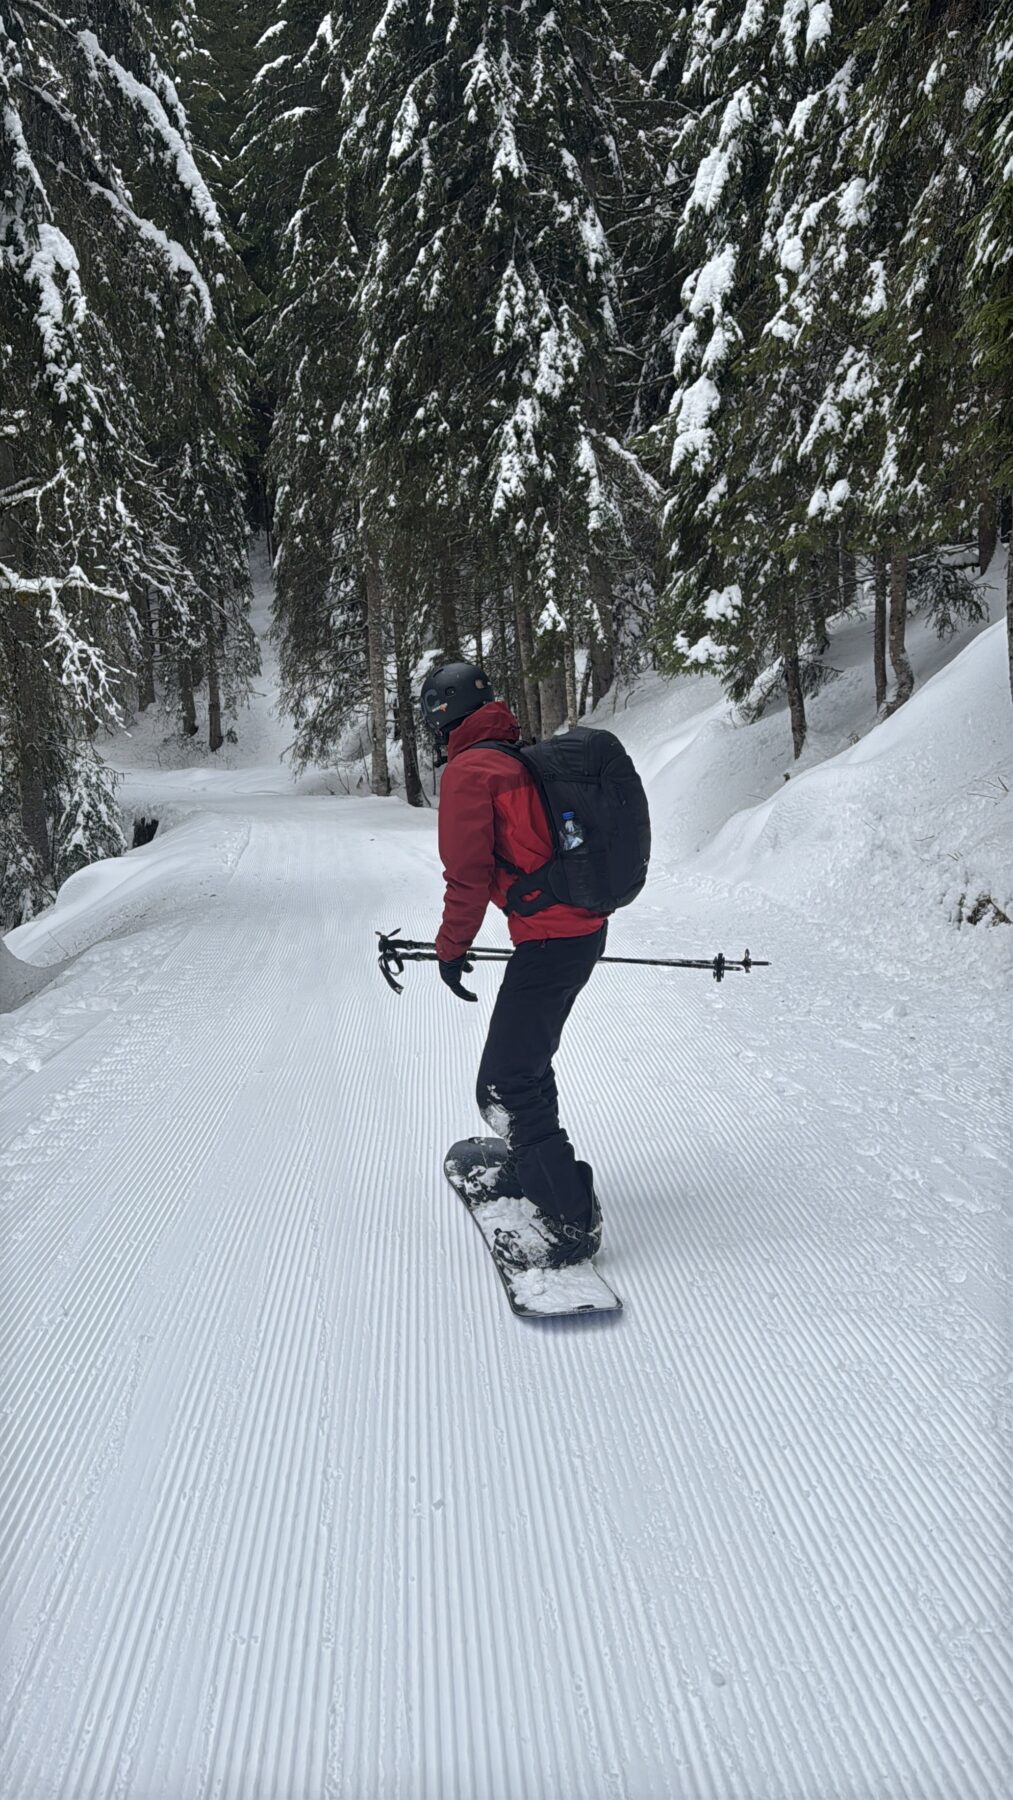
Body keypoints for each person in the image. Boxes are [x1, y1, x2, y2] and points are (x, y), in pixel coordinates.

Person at [421, 661, 606, 1267]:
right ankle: (535, 1167)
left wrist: (451, 948)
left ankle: (568, 1220)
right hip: (576, 931)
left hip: (552, 939)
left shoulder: (470, 771)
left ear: (442, 714)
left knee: (505, 1082)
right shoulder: (515, 755)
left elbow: (467, 877)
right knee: (524, 1064)